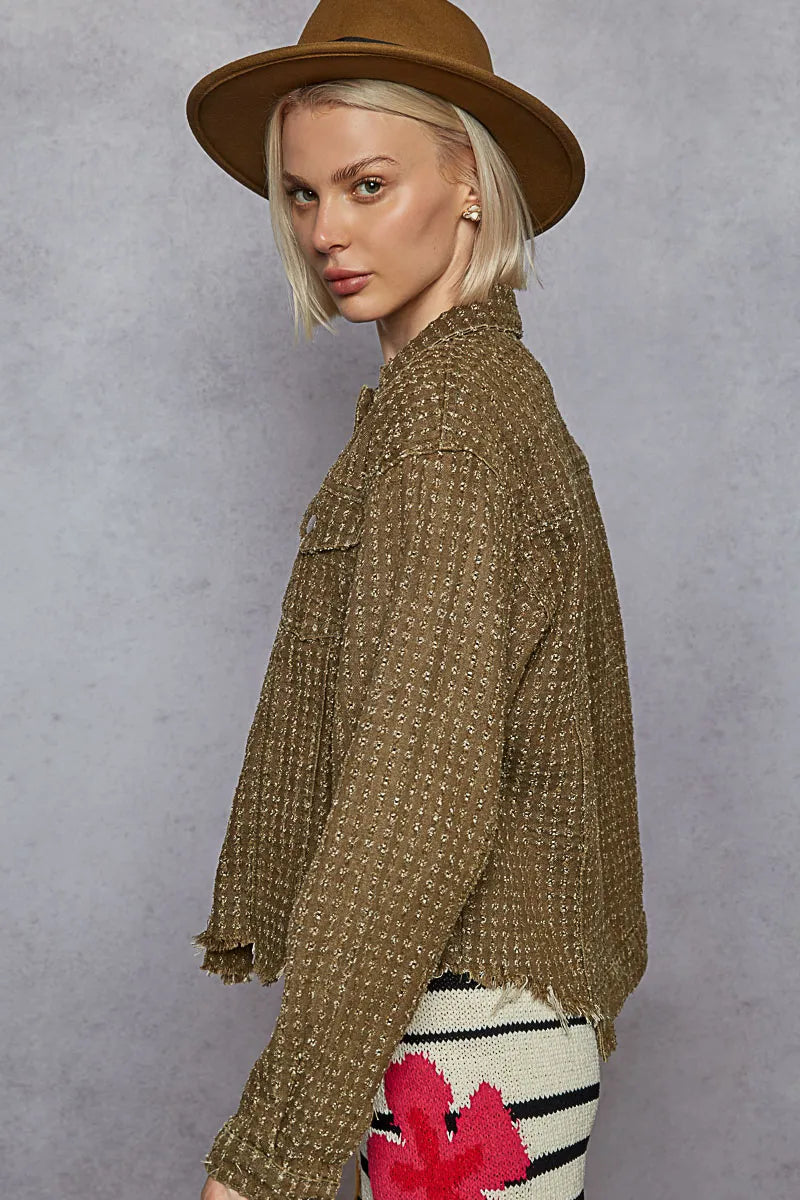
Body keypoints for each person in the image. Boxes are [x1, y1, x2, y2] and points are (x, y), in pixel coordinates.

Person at [186, 3, 648, 1199]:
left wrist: (267, 1158)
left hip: (471, 1033)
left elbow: (412, 806)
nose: (326, 231)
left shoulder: (446, 434)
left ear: (472, 186)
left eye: (366, 184)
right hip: (480, 1022)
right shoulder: (472, 401)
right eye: (299, 194)